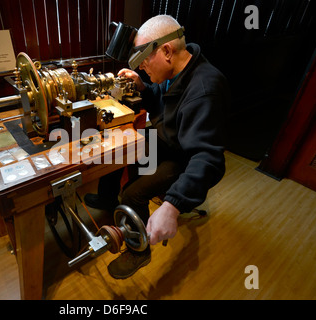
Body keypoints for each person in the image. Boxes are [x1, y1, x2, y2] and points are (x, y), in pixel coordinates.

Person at [85, 15, 230, 279]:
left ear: (166, 50)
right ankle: (108, 199)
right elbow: (159, 100)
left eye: (144, 60)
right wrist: (143, 86)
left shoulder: (205, 88)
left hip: (184, 157)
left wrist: (172, 206)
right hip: (165, 140)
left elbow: (208, 159)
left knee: (132, 194)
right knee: (119, 149)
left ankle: (139, 251)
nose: (141, 67)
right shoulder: (174, 69)